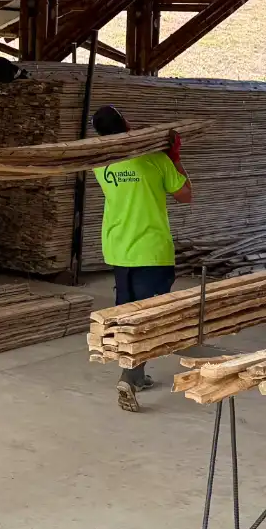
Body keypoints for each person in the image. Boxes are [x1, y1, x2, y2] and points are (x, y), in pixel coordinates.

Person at [91, 103, 192, 413]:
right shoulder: (155, 160)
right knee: (148, 318)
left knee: (127, 314)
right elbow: (185, 194)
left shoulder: (100, 164)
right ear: (126, 123)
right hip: (151, 250)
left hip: (119, 249)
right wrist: (174, 159)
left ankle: (137, 374)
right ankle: (129, 377)